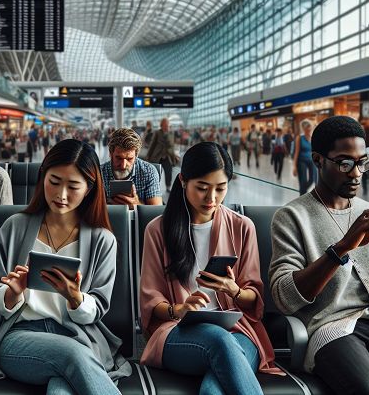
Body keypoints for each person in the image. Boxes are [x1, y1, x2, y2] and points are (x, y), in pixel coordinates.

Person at [0, 139, 131, 392]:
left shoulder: (103, 240)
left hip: (77, 335)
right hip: (20, 337)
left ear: (90, 188)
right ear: (42, 177)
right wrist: (13, 293)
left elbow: (98, 307)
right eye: (54, 182)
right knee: (71, 356)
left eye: (73, 186)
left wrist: (75, 298)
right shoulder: (15, 227)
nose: (61, 195)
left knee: (60, 389)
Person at [140, 142, 281, 395]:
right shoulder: (158, 230)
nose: (212, 198)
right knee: (218, 341)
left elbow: (254, 298)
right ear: (183, 181)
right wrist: (180, 309)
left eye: (220, 188)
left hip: (237, 332)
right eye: (202, 188)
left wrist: (233, 289)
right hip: (178, 332)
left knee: (212, 390)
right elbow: (151, 301)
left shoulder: (242, 227)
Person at [270, 115, 369, 394]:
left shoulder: (366, 209)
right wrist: (342, 248)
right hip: (330, 329)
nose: (356, 173)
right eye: (344, 163)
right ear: (317, 160)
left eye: (362, 162)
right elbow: (284, 297)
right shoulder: (291, 217)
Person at [101, 128, 163, 210]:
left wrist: (136, 204)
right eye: (118, 158)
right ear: (110, 153)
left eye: (129, 159)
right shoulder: (99, 172)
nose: (123, 165)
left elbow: (156, 212)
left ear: (136, 156)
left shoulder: (149, 171)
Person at [147, 118, 178, 193]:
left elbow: (172, 146)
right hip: (157, 156)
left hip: (167, 156)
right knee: (156, 173)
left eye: (167, 124)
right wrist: (148, 155)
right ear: (161, 125)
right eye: (165, 125)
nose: (166, 126)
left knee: (168, 172)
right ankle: (154, 187)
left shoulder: (171, 133)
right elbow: (152, 144)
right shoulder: (157, 132)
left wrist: (174, 156)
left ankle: (168, 187)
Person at [292, 119, 317, 195]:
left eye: (310, 127)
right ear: (303, 129)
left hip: (311, 161)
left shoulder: (312, 137)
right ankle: (302, 194)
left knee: (312, 179)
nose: (309, 129)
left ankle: (302, 191)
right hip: (301, 161)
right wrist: (294, 166)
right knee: (302, 180)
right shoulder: (299, 138)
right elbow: (296, 152)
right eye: (307, 128)